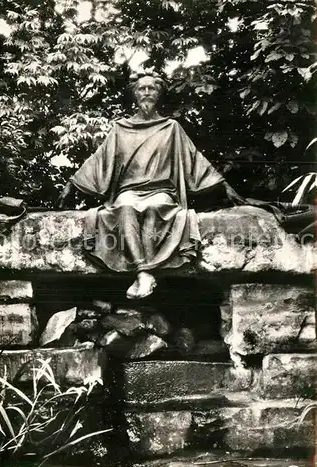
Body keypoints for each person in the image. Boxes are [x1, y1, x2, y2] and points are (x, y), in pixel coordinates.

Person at [57, 72, 269, 299]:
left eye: (152, 89)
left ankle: (143, 274)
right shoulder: (120, 129)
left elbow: (194, 160)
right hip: (129, 192)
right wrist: (72, 184)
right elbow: (99, 160)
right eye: (141, 89)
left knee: (157, 207)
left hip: (161, 191)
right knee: (124, 208)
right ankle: (143, 272)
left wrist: (224, 186)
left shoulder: (171, 128)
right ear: (134, 94)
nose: (146, 93)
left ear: (159, 94)